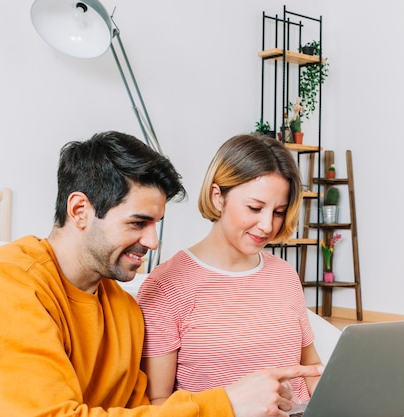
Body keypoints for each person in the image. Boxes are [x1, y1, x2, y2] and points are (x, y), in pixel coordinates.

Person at [0, 131, 321, 417]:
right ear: (80, 210)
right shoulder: (1, 283)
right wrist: (227, 404)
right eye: (138, 222)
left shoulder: (122, 309)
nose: (153, 242)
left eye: (157, 223)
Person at [137, 134, 323, 405]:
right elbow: (158, 403)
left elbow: (312, 367)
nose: (267, 226)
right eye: (255, 208)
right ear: (218, 197)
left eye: (279, 212)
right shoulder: (166, 286)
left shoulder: (284, 275)